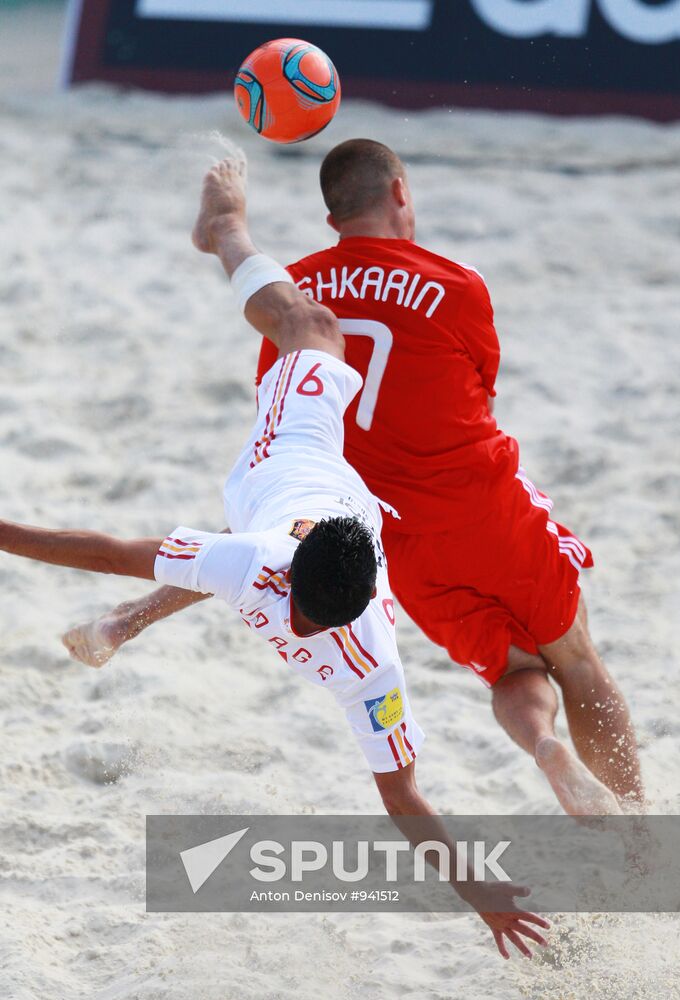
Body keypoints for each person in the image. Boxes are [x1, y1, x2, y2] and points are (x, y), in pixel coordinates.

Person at [1, 158, 550, 960]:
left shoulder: (342, 641)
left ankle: (224, 231)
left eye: (293, 608)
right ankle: (124, 623)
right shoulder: (330, 628)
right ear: (301, 563)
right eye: (287, 598)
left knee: (310, 326)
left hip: (274, 484)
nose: (281, 610)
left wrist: (479, 897)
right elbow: (102, 549)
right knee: (310, 343)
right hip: (287, 473)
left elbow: (404, 800)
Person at [64, 141, 643, 816]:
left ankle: (542, 741)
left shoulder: (300, 289)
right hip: (482, 505)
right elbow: (482, 390)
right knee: (574, 658)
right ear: (399, 193)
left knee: (511, 668)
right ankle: (640, 847)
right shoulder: (457, 283)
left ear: (331, 212)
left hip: (385, 534)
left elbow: (288, 411)